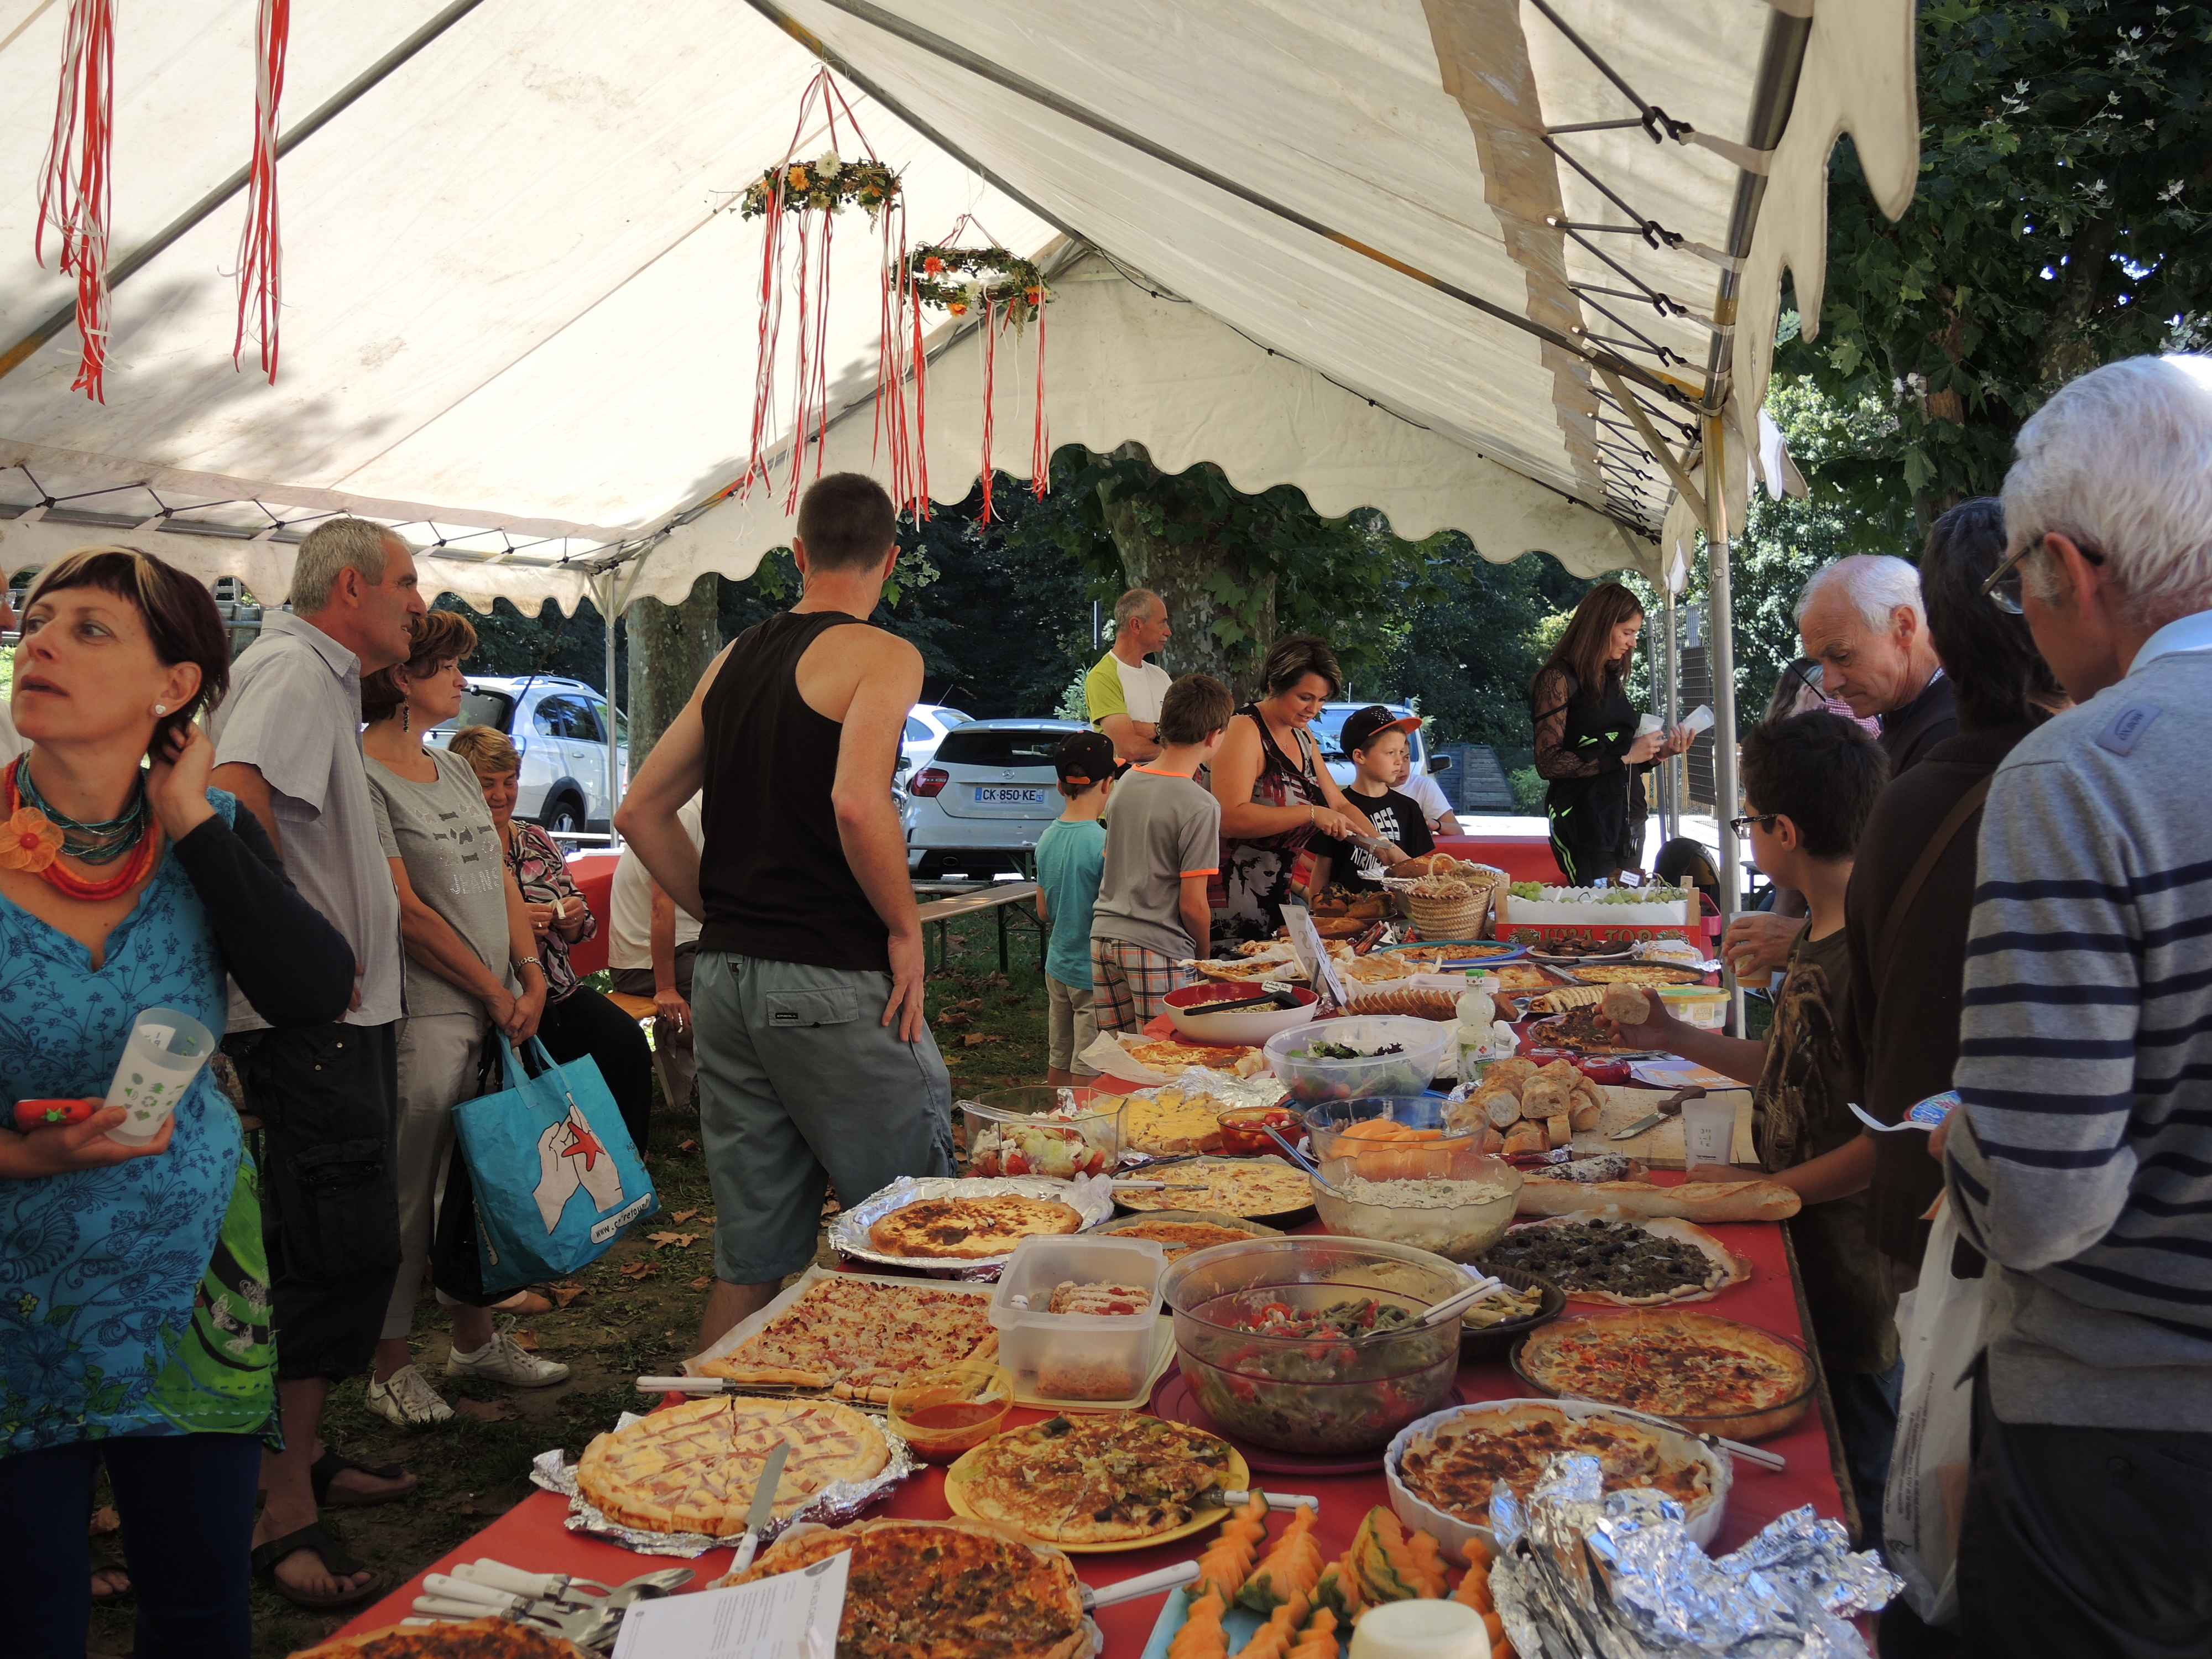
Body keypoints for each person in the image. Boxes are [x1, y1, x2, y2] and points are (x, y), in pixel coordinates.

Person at [0, 546, 353, 1659]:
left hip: (190, 1288)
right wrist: (19, 1159)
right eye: (38, 619)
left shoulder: (207, 837)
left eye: (90, 628)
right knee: (24, 1621)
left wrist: (192, 817)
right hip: (11, 1293)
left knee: (200, 1612)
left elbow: (312, 989)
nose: (41, 639)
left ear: (176, 686)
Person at [1929, 354, 2212, 1657]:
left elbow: (2042, 1201)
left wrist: (1956, 1142)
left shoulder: (2086, 768)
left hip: (2124, 1448)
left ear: (2067, 567)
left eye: (2015, 586)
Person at [614, 472, 954, 1354]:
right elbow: (856, 801)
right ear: (888, 561)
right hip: (835, 980)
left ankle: (694, 1460)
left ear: (798, 555)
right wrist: (907, 928)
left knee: (751, 1255)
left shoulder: (732, 659)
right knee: (921, 1232)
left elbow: (639, 810)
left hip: (726, 980)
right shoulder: (885, 655)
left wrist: (717, 906)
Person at [1601, 712, 1895, 1533]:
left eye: (1747, 820)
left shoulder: (1862, 957)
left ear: (1783, 832)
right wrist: (1677, 1038)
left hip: (1848, 1273)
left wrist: (1765, 1193)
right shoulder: (1819, 941)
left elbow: (1882, 1143)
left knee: (1851, 1461)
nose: (1746, 835)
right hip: (1798, 1234)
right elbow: (1793, 1071)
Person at [208, 517, 424, 1606]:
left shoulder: (313, 672)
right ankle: (275, 1503)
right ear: (349, 587)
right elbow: (232, 797)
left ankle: (298, 1460)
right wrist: (299, 950)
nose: (417, 604)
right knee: (326, 1251)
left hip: (330, 1017)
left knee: (336, 1244)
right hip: (311, 1025)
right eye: (405, 583)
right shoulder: (292, 669)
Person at [1843, 500, 2064, 1290]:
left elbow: (1864, 1025)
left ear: (1932, 628)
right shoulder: (2088, 788)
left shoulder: (1906, 797)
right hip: (2049, 1245)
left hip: (1917, 1208)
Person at [359, 611, 570, 1428]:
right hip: (427, 1013)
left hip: (495, 1003)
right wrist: (492, 989)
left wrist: (528, 976)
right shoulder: (362, 774)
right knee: (410, 1193)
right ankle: (388, 1366)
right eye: (447, 666)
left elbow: (502, 880)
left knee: (479, 1186)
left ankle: (474, 1340)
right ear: (403, 679)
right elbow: (404, 910)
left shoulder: (451, 769)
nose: (461, 681)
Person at [1734, 556, 1961, 977]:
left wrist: (1808, 941)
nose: (1832, 682)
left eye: (1841, 656)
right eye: (1822, 663)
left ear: (1905, 627)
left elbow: (1925, 917)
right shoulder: (1910, 716)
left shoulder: (1949, 737)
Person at [450, 723, 656, 1154]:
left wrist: (574, 918)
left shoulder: (537, 839)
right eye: (487, 784)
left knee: (626, 1043)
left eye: (509, 782)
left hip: (559, 992)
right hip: (494, 999)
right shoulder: (455, 848)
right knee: (524, 1080)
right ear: (460, 783)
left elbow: (583, 925)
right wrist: (512, 920)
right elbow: (448, 926)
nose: (500, 795)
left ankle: (627, 1163)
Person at [1207, 634, 1379, 947]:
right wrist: (1311, 814)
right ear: (1274, 685)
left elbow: (1338, 806)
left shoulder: (1302, 735)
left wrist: (1386, 850)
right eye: (1305, 697)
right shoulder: (1244, 728)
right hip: (1229, 905)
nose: (1314, 708)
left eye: (1322, 700)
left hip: (1277, 901)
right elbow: (1230, 817)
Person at [1091, 675, 1233, 1032]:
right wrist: (1204, 960)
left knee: (1120, 1061)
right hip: (1160, 947)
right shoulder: (1201, 805)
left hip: (1104, 938)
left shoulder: (1124, 785)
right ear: (1214, 736)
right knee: (1167, 1057)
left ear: (1162, 727)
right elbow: (1193, 905)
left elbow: (1112, 864)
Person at [1527, 582, 1689, 885]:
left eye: (1636, 633)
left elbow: (1617, 762)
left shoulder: (1609, 677)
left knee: (1625, 907)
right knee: (1598, 913)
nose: (1633, 642)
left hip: (1628, 819)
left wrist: (1659, 753)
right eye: (1627, 632)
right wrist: (1627, 754)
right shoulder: (1558, 678)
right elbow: (1548, 762)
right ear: (1602, 625)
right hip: (1584, 822)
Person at [609, 792, 704, 1109]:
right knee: (730, 985)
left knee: (741, 973)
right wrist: (666, 988)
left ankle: (689, 1048)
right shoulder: (685, 814)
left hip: (687, 946)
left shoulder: (713, 809)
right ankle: (686, 1046)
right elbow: (661, 906)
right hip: (643, 962)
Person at [1034, 732, 1114, 1084]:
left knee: (1060, 1055)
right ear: (1108, 784)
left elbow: (1044, 912)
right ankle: (1081, 1131)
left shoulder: (1046, 838)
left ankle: (1052, 1125)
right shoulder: (1103, 842)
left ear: (1058, 785)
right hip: (1091, 973)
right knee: (1088, 1063)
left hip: (1058, 965)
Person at [1308, 705, 1430, 893]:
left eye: (1403, 754)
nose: (1399, 761)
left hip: (1399, 913)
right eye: (1391, 753)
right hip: (1346, 914)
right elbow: (1322, 869)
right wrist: (1317, 913)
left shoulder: (1409, 808)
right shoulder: (1331, 809)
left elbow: (1419, 869)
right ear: (1359, 756)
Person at [1084, 588, 1173, 763]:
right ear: (1136, 625)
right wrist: (1175, 747)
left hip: (1164, 788)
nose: (1168, 632)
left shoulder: (1160, 676)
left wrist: (1153, 730)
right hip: (1127, 789)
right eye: (1162, 623)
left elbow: (1185, 732)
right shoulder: (1103, 676)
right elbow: (1130, 750)